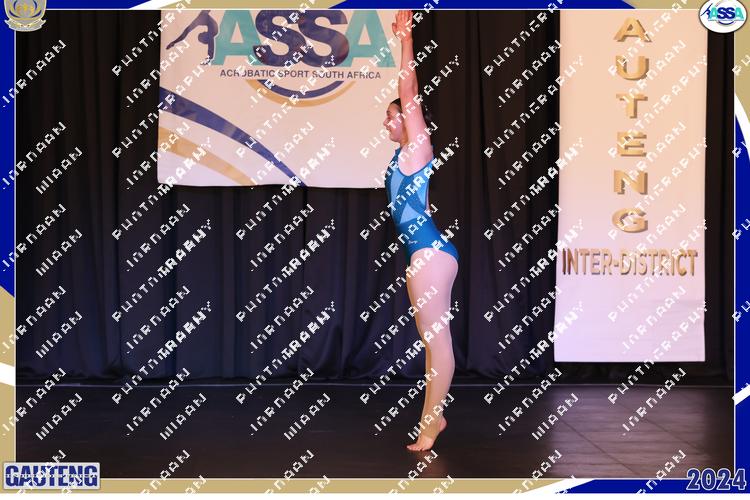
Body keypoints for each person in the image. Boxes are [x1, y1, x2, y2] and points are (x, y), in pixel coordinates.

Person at [383, 10, 459, 451]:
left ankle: (430, 426)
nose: (388, 122)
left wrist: (406, 39)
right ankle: (435, 416)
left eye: (393, 117)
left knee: (437, 343)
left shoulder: (418, 147)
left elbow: (408, 89)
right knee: (431, 343)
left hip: (431, 253)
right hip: (424, 254)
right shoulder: (402, 158)